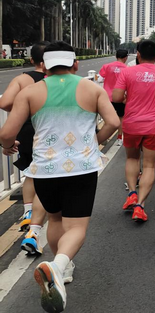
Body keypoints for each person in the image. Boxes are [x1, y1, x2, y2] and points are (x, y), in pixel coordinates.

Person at [0, 42, 119, 313]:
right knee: (76, 227)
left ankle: (61, 269)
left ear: (43, 66)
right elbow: (113, 122)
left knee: (55, 219)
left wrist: (7, 146)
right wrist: (95, 142)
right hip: (81, 169)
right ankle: (58, 265)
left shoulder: (30, 92)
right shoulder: (92, 89)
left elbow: (7, 133)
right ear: (75, 64)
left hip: (45, 170)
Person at [0, 42, 48, 255]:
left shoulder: (22, 79)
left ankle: (28, 212)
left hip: (26, 129)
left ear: (32, 59)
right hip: (47, 129)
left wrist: (22, 107)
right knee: (46, 174)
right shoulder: (56, 78)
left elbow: (4, 103)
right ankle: (37, 222)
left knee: (30, 171)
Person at [113, 40, 155, 222]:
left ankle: (131, 193)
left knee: (132, 159)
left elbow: (116, 97)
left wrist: (129, 97)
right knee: (149, 166)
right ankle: (140, 206)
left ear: (138, 54)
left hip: (132, 124)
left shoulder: (127, 72)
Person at [98, 49, 128, 146]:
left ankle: (104, 137)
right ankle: (119, 138)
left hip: (107, 97)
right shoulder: (127, 69)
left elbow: (99, 79)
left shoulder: (107, 66)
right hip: (120, 97)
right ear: (126, 58)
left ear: (116, 56)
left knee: (106, 118)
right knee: (121, 117)